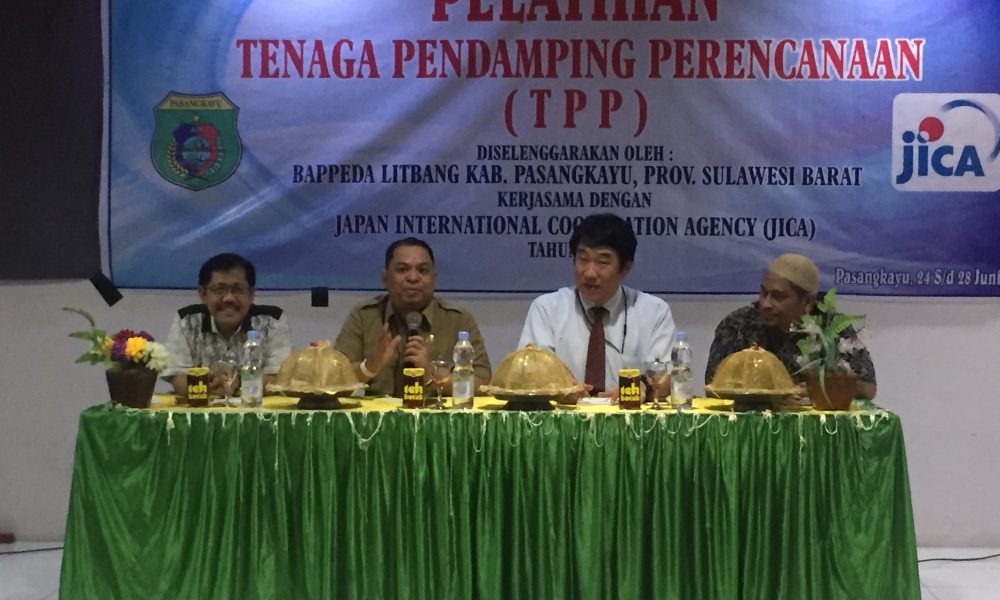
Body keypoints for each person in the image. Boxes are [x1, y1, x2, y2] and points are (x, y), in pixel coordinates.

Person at [519, 213, 676, 397]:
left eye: (602, 262)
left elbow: (668, 378)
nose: (590, 273)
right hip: (565, 413)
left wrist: (641, 389)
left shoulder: (654, 311)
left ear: (625, 268)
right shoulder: (546, 309)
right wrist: (558, 386)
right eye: (583, 259)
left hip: (628, 412)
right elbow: (528, 372)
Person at [334, 237, 492, 397]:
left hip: (434, 412)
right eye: (402, 270)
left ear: (434, 279)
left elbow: (482, 384)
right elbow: (334, 381)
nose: (413, 278)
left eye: (423, 270)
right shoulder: (365, 315)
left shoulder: (457, 319)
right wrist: (369, 367)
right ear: (385, 279)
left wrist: (432, 375)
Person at [705, 253, 877, 399]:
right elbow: (712, 388)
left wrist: (821, 386)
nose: (765, 304)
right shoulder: (738, 325)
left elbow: (868, 388)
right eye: (764, 293)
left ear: (807, 302)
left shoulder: (831, 328)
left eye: (778, 297)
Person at [163, 253, 292, 397]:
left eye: (238, 290)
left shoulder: (272, 321)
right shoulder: (187, 321)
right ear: (203, 294)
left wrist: (239, 381)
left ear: (251, 294)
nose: (228, 298)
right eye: (220, 290)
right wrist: (208, 384)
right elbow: (178, 378)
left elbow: (279, 379)